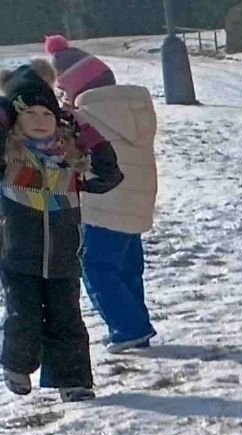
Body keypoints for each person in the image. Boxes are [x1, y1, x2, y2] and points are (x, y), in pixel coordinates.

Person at [0, 64, 119, 401]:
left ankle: (73, 381)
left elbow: (109, 175)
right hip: (18, 256)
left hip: (64, 257)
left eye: (47, 113)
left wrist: (85, 128)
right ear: (15, 120)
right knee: (23, 316)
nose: (40, 119)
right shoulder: (9, 160)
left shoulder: (70, 161)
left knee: (67, 319)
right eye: (29, 113)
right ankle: (17, 365)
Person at [52, 49, 155, 352]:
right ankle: (135, 325)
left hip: (102, 205)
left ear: (76, 86)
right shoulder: (134, 109)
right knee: (127, 268)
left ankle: (129, 328)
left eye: (63, 89)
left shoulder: (84, 116)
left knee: (96, 267)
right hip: (136, 202)